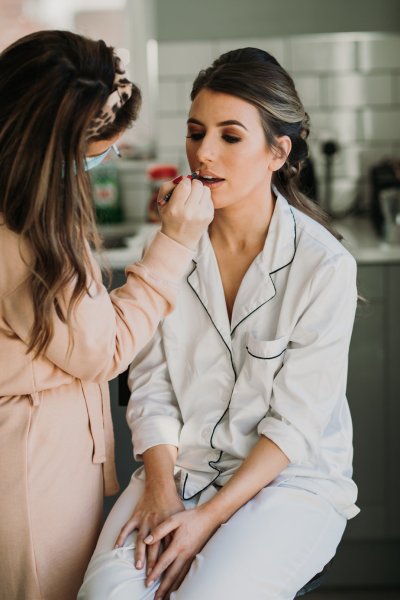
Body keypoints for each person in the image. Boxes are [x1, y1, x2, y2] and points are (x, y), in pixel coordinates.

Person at [78, 47, 359, 600]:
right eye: (195, 131)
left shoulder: (323, 267)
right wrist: (161, 493)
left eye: (230, 137)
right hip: (179, 470)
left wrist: (206, 523)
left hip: (286, 482)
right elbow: (151, 387)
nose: (203, 153)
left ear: (278, 152)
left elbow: (293, 426)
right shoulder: (171, 249)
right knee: (105, 595)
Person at [0, 30, 213, 600]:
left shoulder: (24, 212)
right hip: (32, 471)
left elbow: (78, 337)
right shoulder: (24, 238)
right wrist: (174, 243)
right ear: (54, 151)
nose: (102, 166)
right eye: (97, 156)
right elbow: (102, 349)